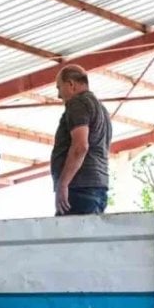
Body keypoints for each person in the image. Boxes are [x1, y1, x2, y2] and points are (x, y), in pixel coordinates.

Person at [50, 65, 111, 215]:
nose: (59, 95)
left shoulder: (78, 103)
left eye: (59, 88)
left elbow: (80, 146)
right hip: (97, 186)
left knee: (67, 237)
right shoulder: (101, 109)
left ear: (71, 84)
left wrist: (63, 184)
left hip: (80, 187)